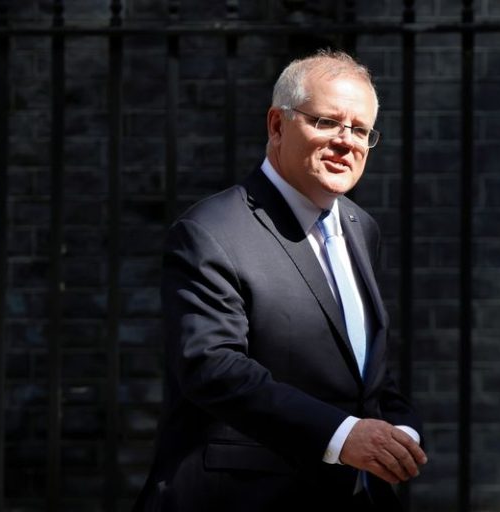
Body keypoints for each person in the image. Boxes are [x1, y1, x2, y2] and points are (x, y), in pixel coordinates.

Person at [133, 49, 427, 512]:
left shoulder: (360, 227)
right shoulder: (211, 230)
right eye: (327, 122)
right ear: (277, 125)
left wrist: (401, 431)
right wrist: (341, 436)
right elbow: (212, 367)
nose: (346, 142)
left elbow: (364, 370)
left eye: (360, 130)